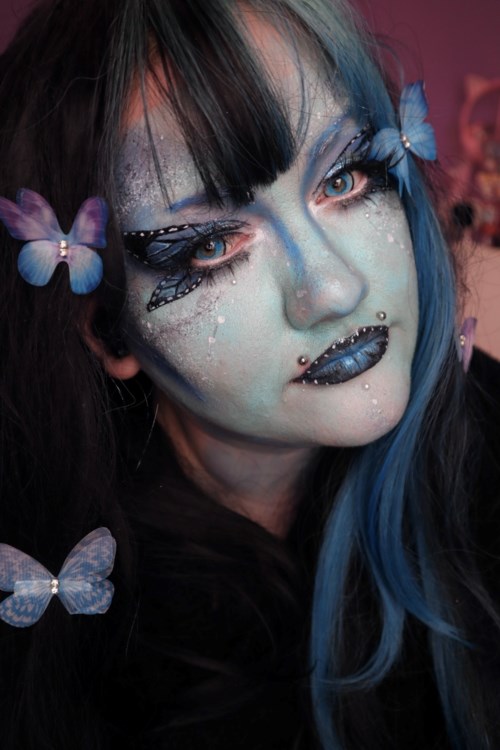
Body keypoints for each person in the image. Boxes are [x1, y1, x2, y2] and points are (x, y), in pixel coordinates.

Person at [0, 0, 499, 748]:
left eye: (345, 177)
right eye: (209, 246)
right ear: (107, 330)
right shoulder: (74, 650)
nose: (334, 289)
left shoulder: (483, 437)